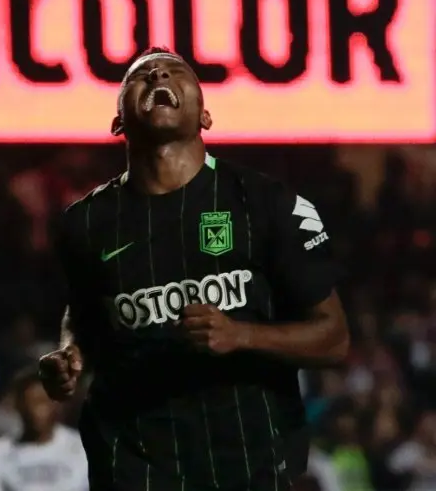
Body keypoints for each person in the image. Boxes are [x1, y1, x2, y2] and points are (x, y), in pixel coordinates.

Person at [38, 47, 350, 491]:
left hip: (248, 459)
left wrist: (242, 334)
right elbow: (84, 313)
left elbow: (334, 338)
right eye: (141, 75)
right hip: (132, 463)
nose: (158, 73)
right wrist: (71, 354)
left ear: (205, 116)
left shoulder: (265, 203)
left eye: (175, 71)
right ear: (117, 122)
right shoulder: (83, 223)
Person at [0, 366, 88, 491]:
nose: (34, 412)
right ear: (17, 406)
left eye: (41, 402)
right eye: (28, 403)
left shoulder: (83, 450)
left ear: (56, 405)